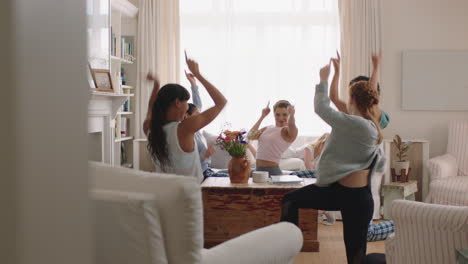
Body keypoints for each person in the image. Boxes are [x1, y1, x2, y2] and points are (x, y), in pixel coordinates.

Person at [281, 62, 385, 264]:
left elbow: (321, 107)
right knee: (290, 200)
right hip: (340, 193)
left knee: (357, 259)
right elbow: (379, 166)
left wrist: (323, 79)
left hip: (355, 200)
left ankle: (287, 248)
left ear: (353, 100)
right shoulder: (367, 126)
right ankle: (288, 249)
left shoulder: (356, 124)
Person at [144, 51, 227, 183]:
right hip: (188, 196)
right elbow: (221, 102)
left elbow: (151, 109)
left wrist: (156, 86)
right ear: (177, 103)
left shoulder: (149, 127)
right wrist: (198, 74)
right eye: (186, 103)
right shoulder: (184, 128)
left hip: (164, 195)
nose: (187, 107)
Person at [330, 51, 390, 129]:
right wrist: (337, 72)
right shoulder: (351, 110)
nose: (349, 99)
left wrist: (376, 67)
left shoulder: (373, 112)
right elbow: (334, 97)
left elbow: (371, 90)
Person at [247, 100, 298, 176]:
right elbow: (250, 136)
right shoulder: (267, 128)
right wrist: (262, 116)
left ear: (289, 115)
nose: (281, 118)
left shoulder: (287, 131)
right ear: (274, 115)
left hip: (272, 172)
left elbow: (291, 124)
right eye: (277, 114)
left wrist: (292, 114)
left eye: (285, 115)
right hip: (258, 170)